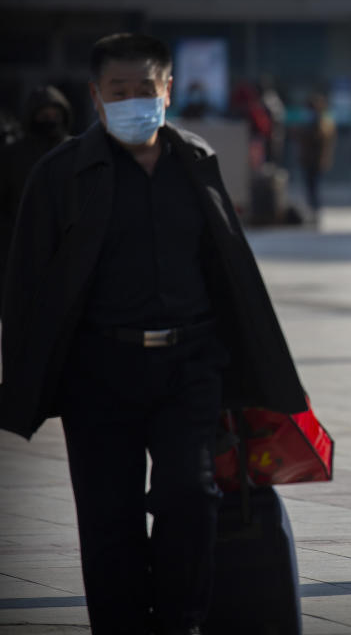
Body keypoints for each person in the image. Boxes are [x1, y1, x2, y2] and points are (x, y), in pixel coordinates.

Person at [0, 33, 308, 634]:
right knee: (107, 515)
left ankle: (181, 622)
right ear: (96, 96)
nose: (134, 101)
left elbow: (230, 269)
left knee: (190, 500)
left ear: (168, 90)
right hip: (99, 371)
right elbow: (26, 284)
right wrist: (26, 377)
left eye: (146, 89)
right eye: (120, 91)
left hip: (188, 367)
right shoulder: (60, 175)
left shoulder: (194, 161)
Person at [0, 85, 72, 305]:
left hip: (66, 250)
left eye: (54, 114)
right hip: (20, 250)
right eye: (43, 114)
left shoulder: (75, 152)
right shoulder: (13, 155)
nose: (49, 119)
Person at [297, 91, 337, 216]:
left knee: (314, 185)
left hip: (317, 158)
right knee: (310, 184)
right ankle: (312, 206)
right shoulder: (310, 119)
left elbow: (322, 136)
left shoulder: (323, 120)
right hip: (309, 157)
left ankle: (315, 207)